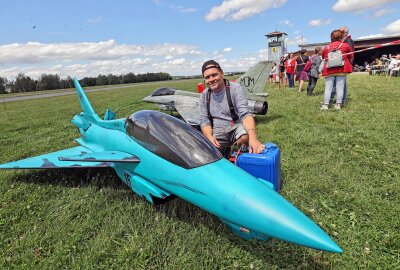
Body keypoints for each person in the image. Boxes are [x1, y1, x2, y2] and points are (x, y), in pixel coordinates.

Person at [199, 60, 265, 157]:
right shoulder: (204, 96)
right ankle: (224, 151)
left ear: (222, 74)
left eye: (214, 75)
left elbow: (245, 114)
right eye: (207, 77)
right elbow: (204, 120)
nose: (211, 79)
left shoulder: (235, 89)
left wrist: (253, 137)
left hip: (235, 126)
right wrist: (209, 137)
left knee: (246, 137)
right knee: (206, 150)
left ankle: (242, 151)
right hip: (217, 129)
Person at [320, 30, 353, 110]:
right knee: (340, 88)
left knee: (328, 88)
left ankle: (325, 105)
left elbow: (324, 57)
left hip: (329, 70)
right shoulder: (345, 46)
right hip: (341, 69)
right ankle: (338, 105)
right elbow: (350, 56)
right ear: (341, 36)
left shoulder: (326, 47)